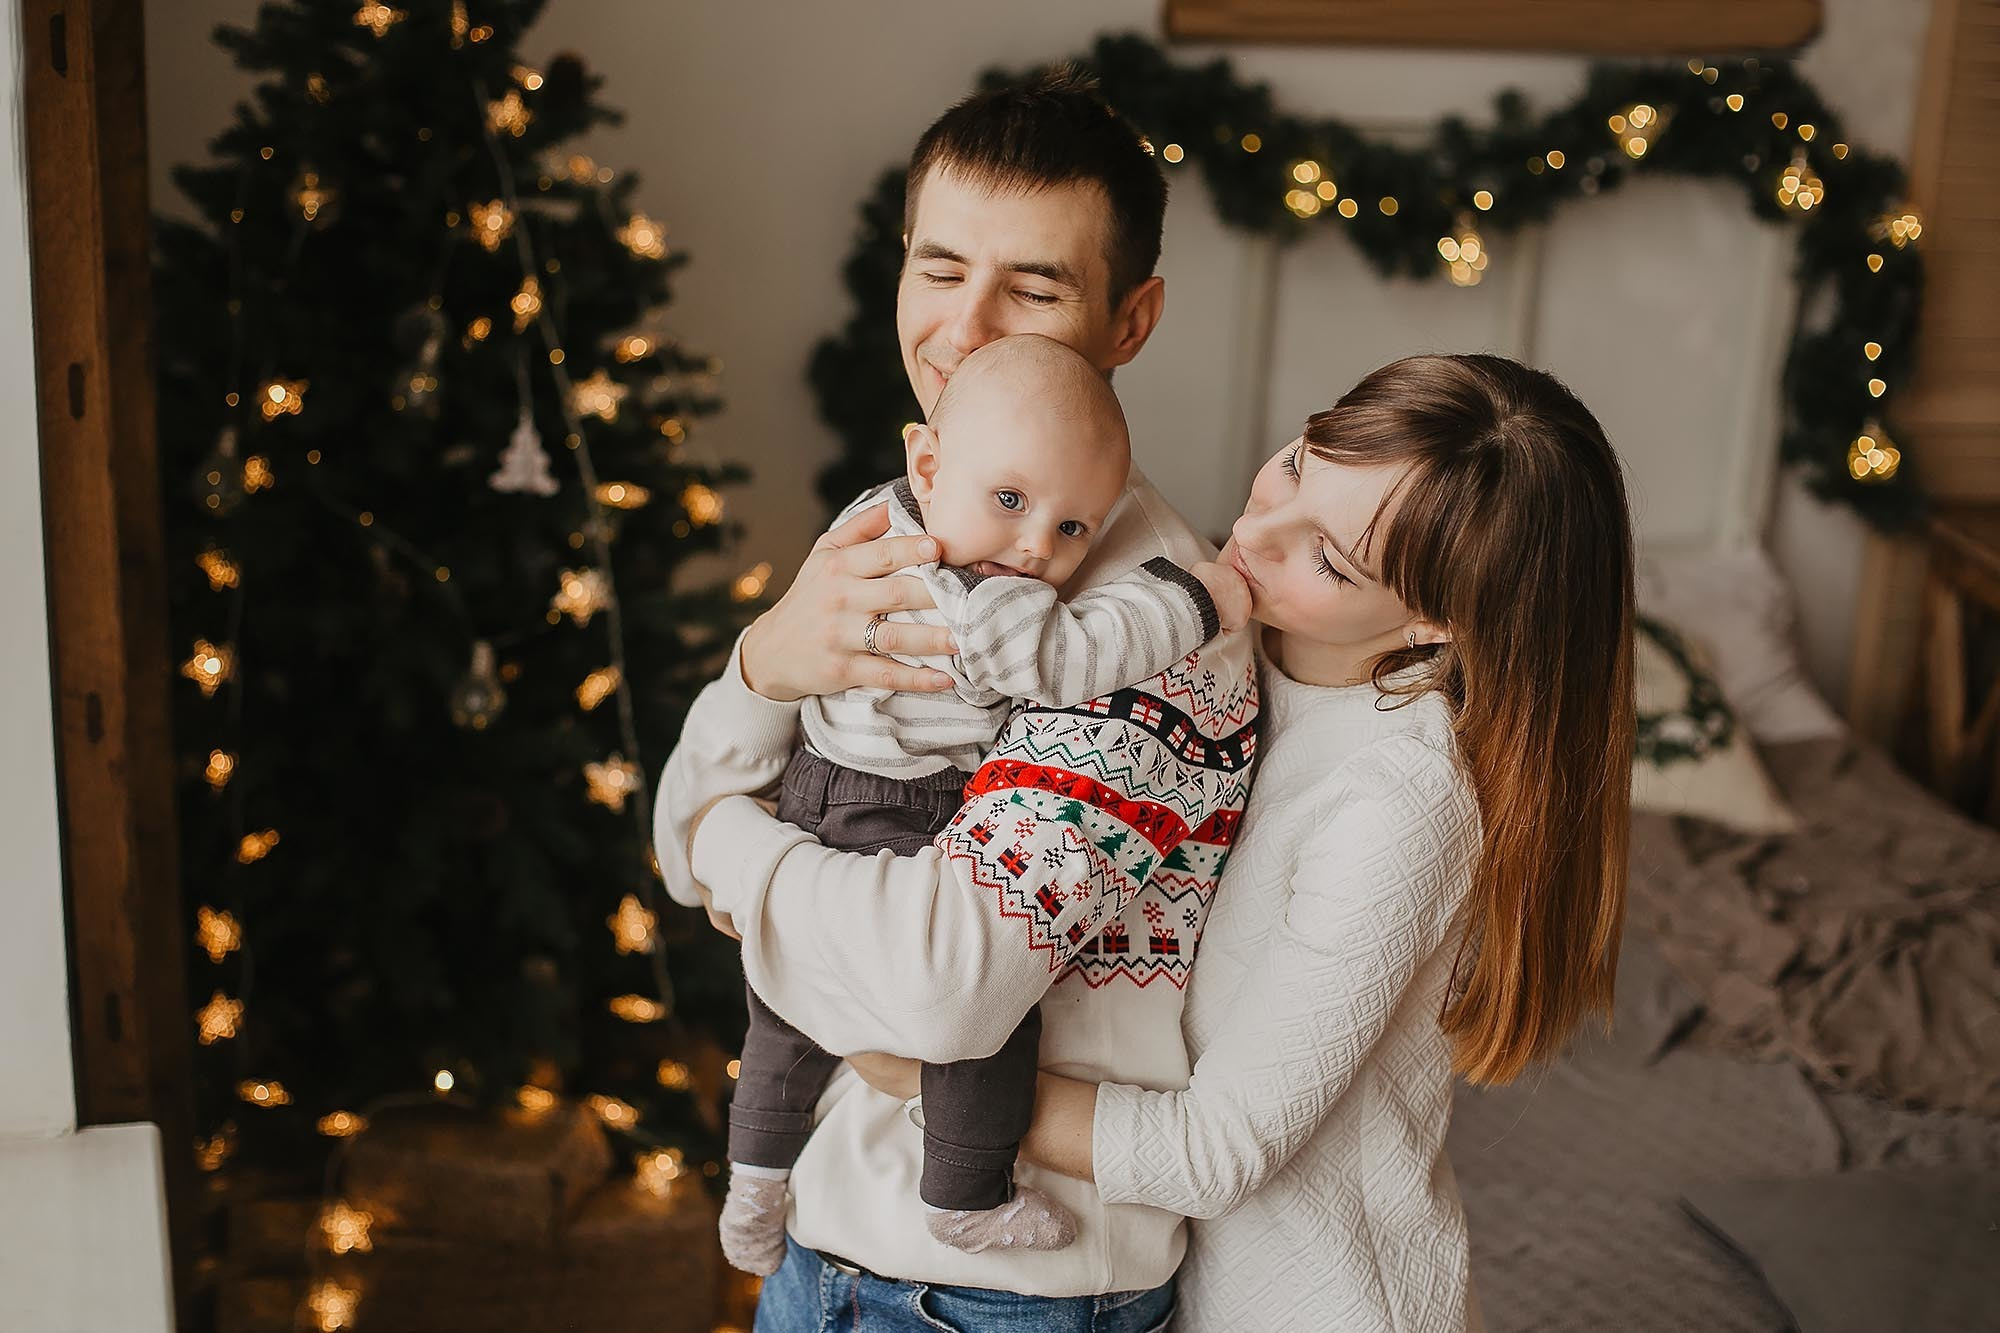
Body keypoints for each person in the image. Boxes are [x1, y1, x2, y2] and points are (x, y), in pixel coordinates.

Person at [851, 353, 1636, 1331]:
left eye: (1328, 558)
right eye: (1296, 466)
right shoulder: (1211, 639)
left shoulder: (1397, 798)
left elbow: (1212, 1151)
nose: (1256, 530)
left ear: (1437, 623)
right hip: (1164, 1285)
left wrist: (925, 1064)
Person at [657, 68, 1260, 1330]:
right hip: (819, 1248)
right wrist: (765, 660)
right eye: (938, 269)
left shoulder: (1145, 625)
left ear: (1130, 321)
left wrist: (734, 849)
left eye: (1033, 287)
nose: (966, 328)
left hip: (1003, 1296)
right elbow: (674, 847)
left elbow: (933, 989)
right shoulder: (894, 526)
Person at [714, 333, 1246, 1276]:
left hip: (815, 780)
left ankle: (754, 1174)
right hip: (905, 801)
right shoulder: (978, 598)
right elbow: (1076, 654)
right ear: (929, 462)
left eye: (1076, 527)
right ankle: (966, 1194)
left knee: (781, 1010)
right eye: (1012, 500)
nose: (1038, 546)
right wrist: (1191, 601)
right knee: (994, 1017)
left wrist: (730, 842)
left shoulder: (868, 524)